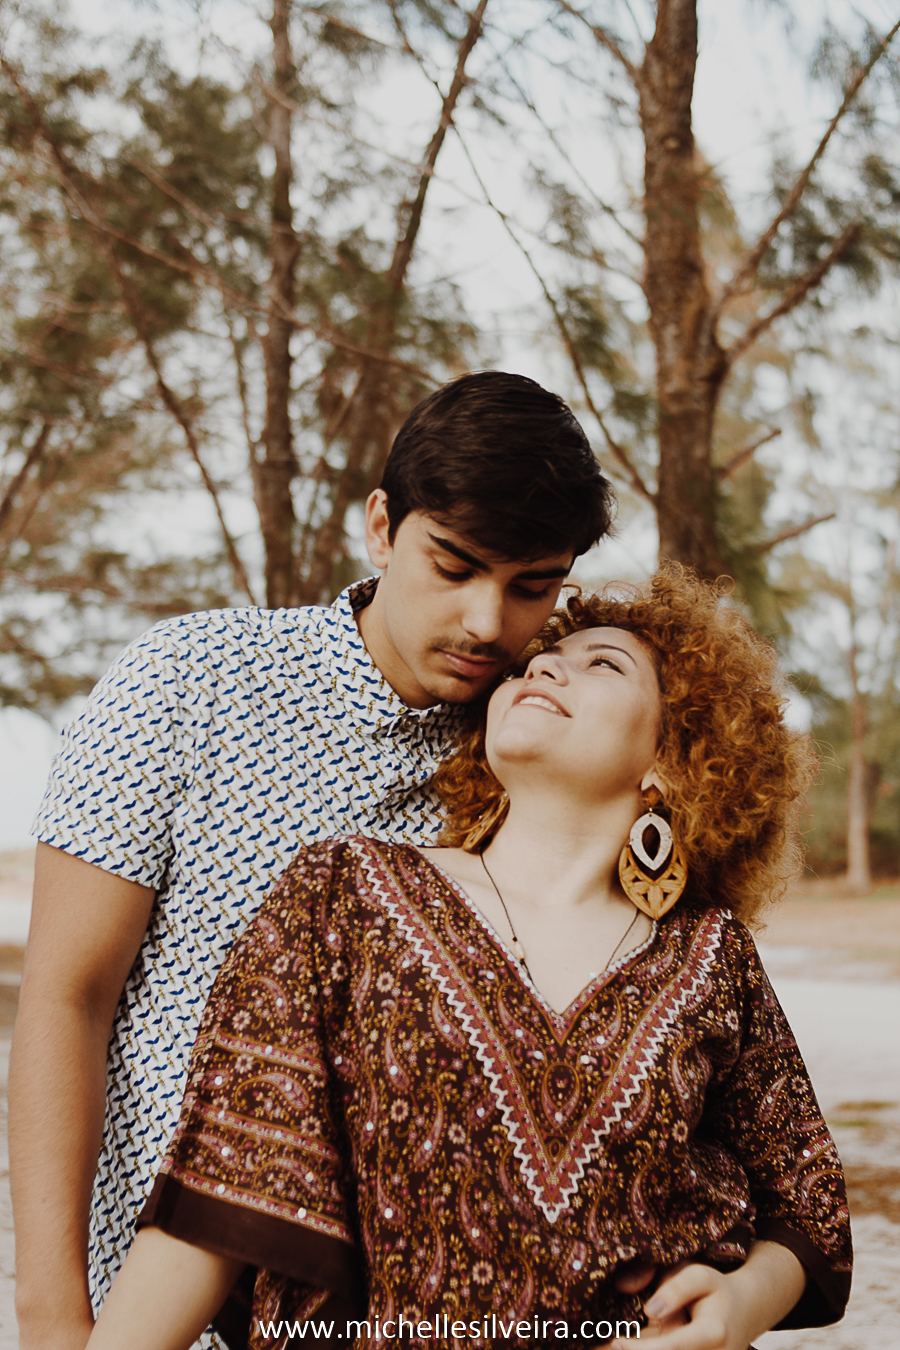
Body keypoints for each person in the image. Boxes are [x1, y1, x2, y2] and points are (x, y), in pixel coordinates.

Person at [83, 566, 852, 1350]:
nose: (545, 666)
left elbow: (808, 1205)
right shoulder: (342, 892)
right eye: (535, 664)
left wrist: (740, 1305)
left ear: (671, 756)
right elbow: (225, 1189)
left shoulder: (710, 948)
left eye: (604, 664)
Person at [10, 371, 616, 1350]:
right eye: (454, 565)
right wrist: (50, 1317)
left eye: (532, 586)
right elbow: (65, 997)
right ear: (382, 526)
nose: (485, 623)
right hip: (157, 1310)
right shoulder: (189, 683)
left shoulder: (532, 754)